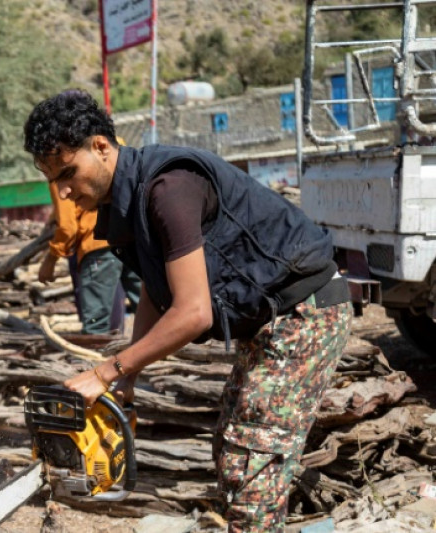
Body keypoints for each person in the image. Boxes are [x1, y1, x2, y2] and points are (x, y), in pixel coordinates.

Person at [23, 90, 352, 532]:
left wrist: (106, 371)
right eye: (53, 179)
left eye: (68, 172)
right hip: (271, 318)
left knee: (252, 459)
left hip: (305, 311)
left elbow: (193, 312)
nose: (62, 190)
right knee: (232, 447)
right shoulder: (123, 202)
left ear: (101, 146)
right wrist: (126, 380)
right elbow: (159, 296)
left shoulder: (167, 187)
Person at [39, 180, 140, 335]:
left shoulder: (60, 178)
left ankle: (95, 357)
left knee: (96, 324)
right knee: (148, 305)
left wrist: (50, 261)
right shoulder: (100, 164)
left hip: (98, 248)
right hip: (129, 240)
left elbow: (67, 228)